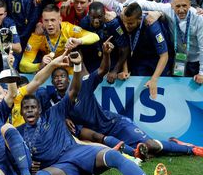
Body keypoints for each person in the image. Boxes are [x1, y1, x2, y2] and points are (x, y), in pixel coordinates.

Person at [4, 51, 169, 175]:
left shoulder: (55, 112)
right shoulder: (18, 132)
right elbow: (14, 155)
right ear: (22, 112)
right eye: (26, 108)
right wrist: (28, 164)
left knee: (112, 155)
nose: (30, 111)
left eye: (33, 107)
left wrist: (76, 67)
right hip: (60, 167)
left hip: (78, 152)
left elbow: (73, 91)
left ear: (40, 108)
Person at [66, 33, 203, 160]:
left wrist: (106, 54)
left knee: (150, 145)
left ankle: (190, 149)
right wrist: (64, 118)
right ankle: (170, 144)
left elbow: (102, 70)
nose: (59, 80)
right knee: (144, 153)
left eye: (76, 54)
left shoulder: (83, 83)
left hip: (115, 125)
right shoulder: (56, 99)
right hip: (102, 138)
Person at [141, 0, 203, 83]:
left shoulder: (198, 18)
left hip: (196, 61)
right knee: (177, 85)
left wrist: (202, 73)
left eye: (184, 5)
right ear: (172, 5)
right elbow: (144, 4)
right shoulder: (167, 9)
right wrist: (125, 7)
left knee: (197, 87)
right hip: (180, 58)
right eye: (177, 6)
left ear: (189, 4)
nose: (181, 10)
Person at [19, 4, 99, 73]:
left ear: (60, 20)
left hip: (68, 74)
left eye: (53, 20)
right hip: (48, 74)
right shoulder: (38, 36)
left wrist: (78, 41)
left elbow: (95, 36)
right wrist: (40, 65)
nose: (49, 24)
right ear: (42, 21)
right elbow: (23, 65)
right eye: (46, 21)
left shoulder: (68, 29)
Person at [120, 3, 170, 99]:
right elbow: (123, 47)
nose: (126, 26)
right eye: (124, 22)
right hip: (139, 60)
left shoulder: (153, 26)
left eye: (130, 23)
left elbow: (164, 55)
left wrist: (154, 79)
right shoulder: (126, 19)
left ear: (139, 19)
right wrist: (125, 69)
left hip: (156, 61)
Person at [78, 1, 129, 78]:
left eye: (99, 17)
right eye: (93, 17)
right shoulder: (83, 23)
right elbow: (78, 48)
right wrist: (83, 70)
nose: (96, 21)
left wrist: (115, 71)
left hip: (111, 62)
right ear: (89, 15)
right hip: (92, 63)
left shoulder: (114, 24)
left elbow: (124, 48)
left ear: (104, 14)